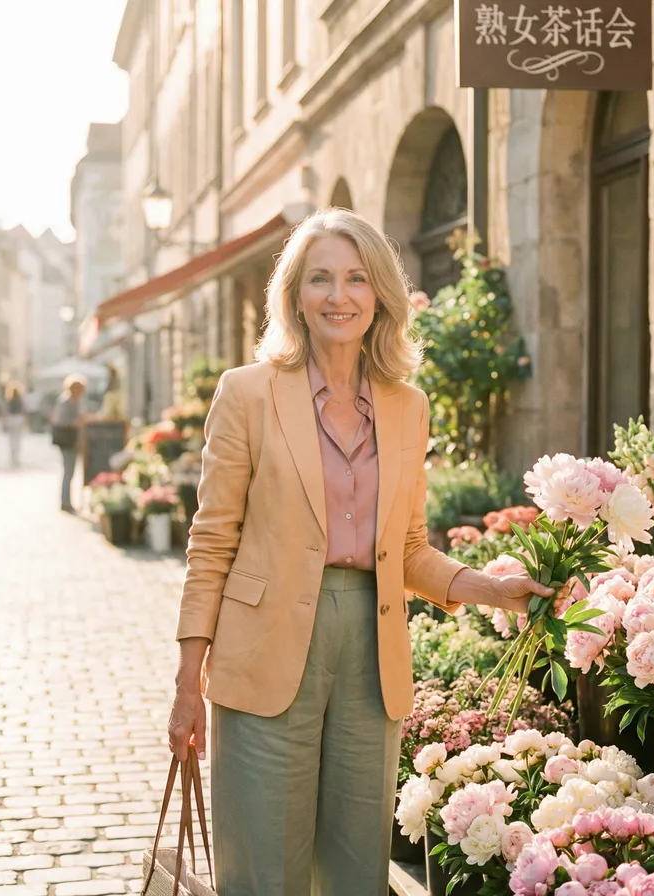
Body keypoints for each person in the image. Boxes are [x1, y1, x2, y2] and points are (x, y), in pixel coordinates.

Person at [166, 208, 550, 896]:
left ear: (379, 296)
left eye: (354, 278)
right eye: (319, 279)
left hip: (372, 656)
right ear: (295, 296)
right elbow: (212, 541)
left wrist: (490, 588)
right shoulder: (248, 394)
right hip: (264, 648)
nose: (337, 296)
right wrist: (187, 678)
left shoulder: (407, 405)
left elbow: (407, 549)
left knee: (354, 871)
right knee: (263, 867)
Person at [51, 375, 86, 512]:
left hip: (73, 440)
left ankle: (67, 501)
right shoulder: (66, 402)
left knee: (70, 471)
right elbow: (61, 421)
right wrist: (76, 422)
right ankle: (65, 502)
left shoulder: (75, 401)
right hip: (67, 440)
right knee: (68, 471)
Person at [3, 382, 27, 467]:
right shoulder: (20, 400)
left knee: (12, 439)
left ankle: (13, 456)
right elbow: (24, 411)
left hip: (11, 419)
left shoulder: (10, 400)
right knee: (17, 439)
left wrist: (4, 421)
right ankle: (16, 457)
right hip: (18, 419)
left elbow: (6, 411)